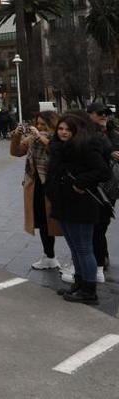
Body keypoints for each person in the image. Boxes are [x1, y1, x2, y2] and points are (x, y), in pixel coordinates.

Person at [47, 114, 111, 304]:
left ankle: (90, 291)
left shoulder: (85, 146)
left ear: (76, 131)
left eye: (68, 129)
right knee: (74, 247)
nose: (63, 132)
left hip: (81, 204)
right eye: (60, 129)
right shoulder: (58, 148)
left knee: (84, 248)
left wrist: (81, 183)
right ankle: (80, 283)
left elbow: (103, 171)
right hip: (64, 203)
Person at [11, 111, 61, 269]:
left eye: (43, 124)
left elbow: (58, 152)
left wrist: (40, 137)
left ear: (52, 124)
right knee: (43, 222)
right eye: (37, 123)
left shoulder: (59, 138)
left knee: (61, 224)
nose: (39, 127)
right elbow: (16, 151)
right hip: (37, 185)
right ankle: (49, 256)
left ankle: (80, 261)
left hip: (54, 185)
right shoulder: (32, 139)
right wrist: (17, 136)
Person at [86, 102, 119, 283]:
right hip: (90, 185)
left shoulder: (113, 133)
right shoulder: (85, 132)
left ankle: (99, 262)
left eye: (106, 113)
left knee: (100, 225)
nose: (104, 116)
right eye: (100, 113)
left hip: (109, 187)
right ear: (89, 114)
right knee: (94, 225)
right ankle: (99, 259)